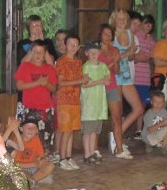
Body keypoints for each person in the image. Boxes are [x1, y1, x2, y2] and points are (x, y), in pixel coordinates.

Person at [110, 10, 145, 150]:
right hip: (114, 76)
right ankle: (117, 140)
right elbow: (112, 59)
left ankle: (116, 135)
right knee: (117, 114)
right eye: (119, 18)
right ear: (114, 20)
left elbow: (131, 57)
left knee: (139, 108)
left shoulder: (131, 34)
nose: (122, 21)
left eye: (124, 18)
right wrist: (128, 53)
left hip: (126, 75)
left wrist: (131, 53)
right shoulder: (111, 35)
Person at [14, 39, 58, 152]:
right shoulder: (25, 66)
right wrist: (38, 82)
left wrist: (46, 83)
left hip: (46, 109)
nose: (38, 55)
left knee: (45, 140)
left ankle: (43, 159)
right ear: (31, 53)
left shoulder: (50, 68)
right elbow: (19, 86)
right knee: (29, 138)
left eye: (41, 52)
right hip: (29, 108)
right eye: (35, 51)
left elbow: (54, 89)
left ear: (45, 54)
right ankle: (28, 160)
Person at [98, 23, 129, 159]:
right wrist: (113, 61)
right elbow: (99, 71)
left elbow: (116, 71)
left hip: (112, 85)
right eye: (105, 33)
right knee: (97, 119)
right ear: (100, 35)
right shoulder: (96, 50)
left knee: (117, 118)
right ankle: (94, 150)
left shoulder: (114, 49)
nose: (108, 36)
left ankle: (120, 149)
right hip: (98, 87)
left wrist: (116, 63)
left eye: (110, 34)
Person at [55, 33, 85, 170]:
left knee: (71, 130)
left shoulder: (78, 62)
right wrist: (80, 80)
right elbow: (61, 83)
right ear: (65, 45)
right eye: (70, 44)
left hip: (75, 100)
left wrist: (84, 80)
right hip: (64, 101)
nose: (73, 47)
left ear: (78, 47)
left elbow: (80, 81)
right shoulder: (61, 61)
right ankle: (62, 159)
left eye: (75, 44)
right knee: (65, 131)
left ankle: (68, 157)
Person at [80, 41, 110, 164]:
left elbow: (107, 80)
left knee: (94, 131)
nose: (93, 54)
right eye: (91, 52)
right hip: (89, 105)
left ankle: (92, 152)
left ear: (99, 53)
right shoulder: (85, 67)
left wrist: (103, 80)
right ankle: (87, 154)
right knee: (87, 131)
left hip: (99, 105)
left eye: (96, 52)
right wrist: (100, 81)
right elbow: (84, 84)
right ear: (86, 53)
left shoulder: (103, 66)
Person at [131, 12, 155, 137]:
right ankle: (136, 129)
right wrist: (140, 57)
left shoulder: (151, 40)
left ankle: (139, 130)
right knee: (136, 105)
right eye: (146, 23)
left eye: (150, 25)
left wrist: (145, 58)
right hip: (134, 77)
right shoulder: (135, 36)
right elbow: (133, 56)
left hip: (145, 78)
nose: (148, 26)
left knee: (143, 104)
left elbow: (151, 57)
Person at [13, 118, 55, 185]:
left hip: (34, 167)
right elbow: (14, 164)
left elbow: (41, 155)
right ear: (21, 129)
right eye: (28, 127)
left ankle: (32, 179)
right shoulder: (17, 140)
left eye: (33, 128)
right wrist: (34, 164)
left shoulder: (36, 139)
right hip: (22, 168)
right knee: (18, 172)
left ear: (36, 131)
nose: (30, 129)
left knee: (50, 166)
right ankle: (34, 179)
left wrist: (42, 160)